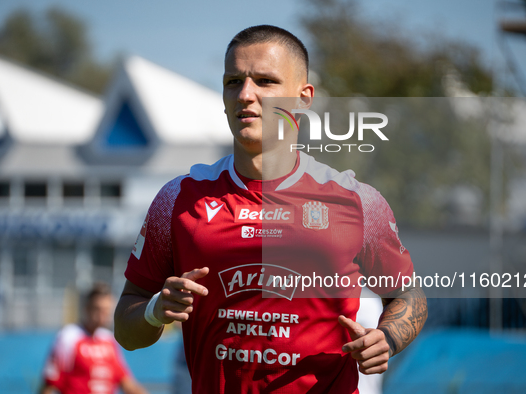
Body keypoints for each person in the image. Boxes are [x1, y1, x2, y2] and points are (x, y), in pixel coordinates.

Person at [114, 25, 427, 393]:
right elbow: (127, 328)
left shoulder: (356, 200)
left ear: (304, 97)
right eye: (233, 82)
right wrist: (154, 309)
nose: (246, 95)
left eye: (265, 81)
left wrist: (387, 338)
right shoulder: (178, 200)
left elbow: (408, 295)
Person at [41, 283, 147, 394]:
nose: (102, 316)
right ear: (87, 308)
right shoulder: (68, 337)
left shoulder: (109, 340)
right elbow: (50, 383)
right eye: (98, 309)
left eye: (106, 310)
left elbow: (125, 381)